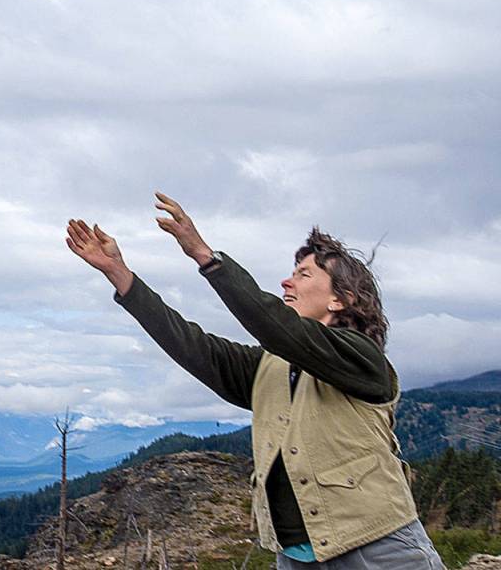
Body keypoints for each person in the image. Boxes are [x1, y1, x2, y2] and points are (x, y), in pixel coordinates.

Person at [65, 191, 444, 569]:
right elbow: (194, 347)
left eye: (303, 274)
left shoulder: (362, 359)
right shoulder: (270, 367)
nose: (286, 282)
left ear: (340, 300)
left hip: (378, 548)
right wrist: (121, 276)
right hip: (295, 558)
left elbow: (276, 325)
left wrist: (205, 256)